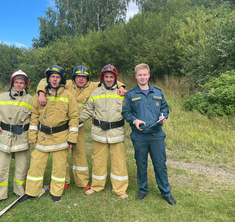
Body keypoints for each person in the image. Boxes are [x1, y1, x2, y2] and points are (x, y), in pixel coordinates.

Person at [35, 65, 126, 190]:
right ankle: (64, 181)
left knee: (80, 154)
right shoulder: (66, 83)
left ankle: (82, 182)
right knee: (62, 155)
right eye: (78, 77)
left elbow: (109, 79)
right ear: (74, 78)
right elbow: (44, 80)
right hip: (63, 127)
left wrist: (121, 86)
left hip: (79, 126)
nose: (81, 80)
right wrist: (41, 92)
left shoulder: (93, 86)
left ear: (87, 79)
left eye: (84, 77)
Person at [18, 65, 79, 203]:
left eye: (57, 77)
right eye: (52, 77)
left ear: (61, 79)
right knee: (36, 165)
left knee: (59, 167)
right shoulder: (38, 96)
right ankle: (31, 191)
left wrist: (72, 138)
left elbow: (74, 117)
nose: (55, 80)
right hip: (43, 137)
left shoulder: (68, 95)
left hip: (61, 137)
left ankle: (56, 192)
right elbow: (34, 117)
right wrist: (32, 135)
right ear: (48, 79)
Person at [122, 63, 176, 205]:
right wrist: (134, 120)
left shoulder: (158, 92)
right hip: (139, 136)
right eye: (139, 75)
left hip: (156, 135)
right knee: (141, 163)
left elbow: (165, 107)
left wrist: (163, 116)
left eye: (144, 74)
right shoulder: (131, 94)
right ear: (136, 76)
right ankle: (143, 189)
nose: (142, 77)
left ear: (149, 75)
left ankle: (166, 192)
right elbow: (126, 112)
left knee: (160, 164)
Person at [0, 70, 33, 210]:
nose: (19, 85)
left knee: (22, 168)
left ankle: (20, 192)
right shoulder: (1, 97)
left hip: (22, 138)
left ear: (26, 84)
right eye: (16, 82)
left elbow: (37, 117)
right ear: (12, 83)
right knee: (0, 168)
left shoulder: (31, 100)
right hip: (4, 138)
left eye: (22, 83)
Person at [79, 64, 129, 199]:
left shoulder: (121, 92)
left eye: (111, 77)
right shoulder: (95, 93)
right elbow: (87, 111)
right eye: (106, 76)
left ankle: (120, 189)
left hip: (117, 133)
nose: (108, 79)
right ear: (102, 78)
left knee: (119, 161)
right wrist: (72, 121)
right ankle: (96, 186)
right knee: (98, 161)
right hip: (99, 133)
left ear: (115, 78)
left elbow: (130, 110)